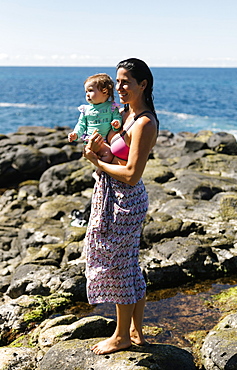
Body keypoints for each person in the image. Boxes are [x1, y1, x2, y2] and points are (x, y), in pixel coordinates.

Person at [83, 58, 159, 355]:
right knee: (129, 264)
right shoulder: (125, 115)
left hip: (126, 201)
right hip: (111, 195)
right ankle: (136, 333)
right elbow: (119, 157)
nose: (120, 87)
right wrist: (99, 148)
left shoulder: (144, 122)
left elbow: (131, 174)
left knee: (119, 267)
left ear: (143, 84)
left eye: (126, 81)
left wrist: (97, 162)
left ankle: (120, 336)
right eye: (118, 82)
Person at [68, 73, 122, 164]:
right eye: (86, 92)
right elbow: (81, 124)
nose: (87, 94)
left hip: (106, 141)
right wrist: (76, 134)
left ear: (105, 91)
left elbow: (117, 117)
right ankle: (101, 172)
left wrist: (117, 123)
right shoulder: (85, 110)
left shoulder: (112, 107)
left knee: (111, 153)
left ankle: (101, 170)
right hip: (91, 141)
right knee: (108, 154)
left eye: (90, 90)